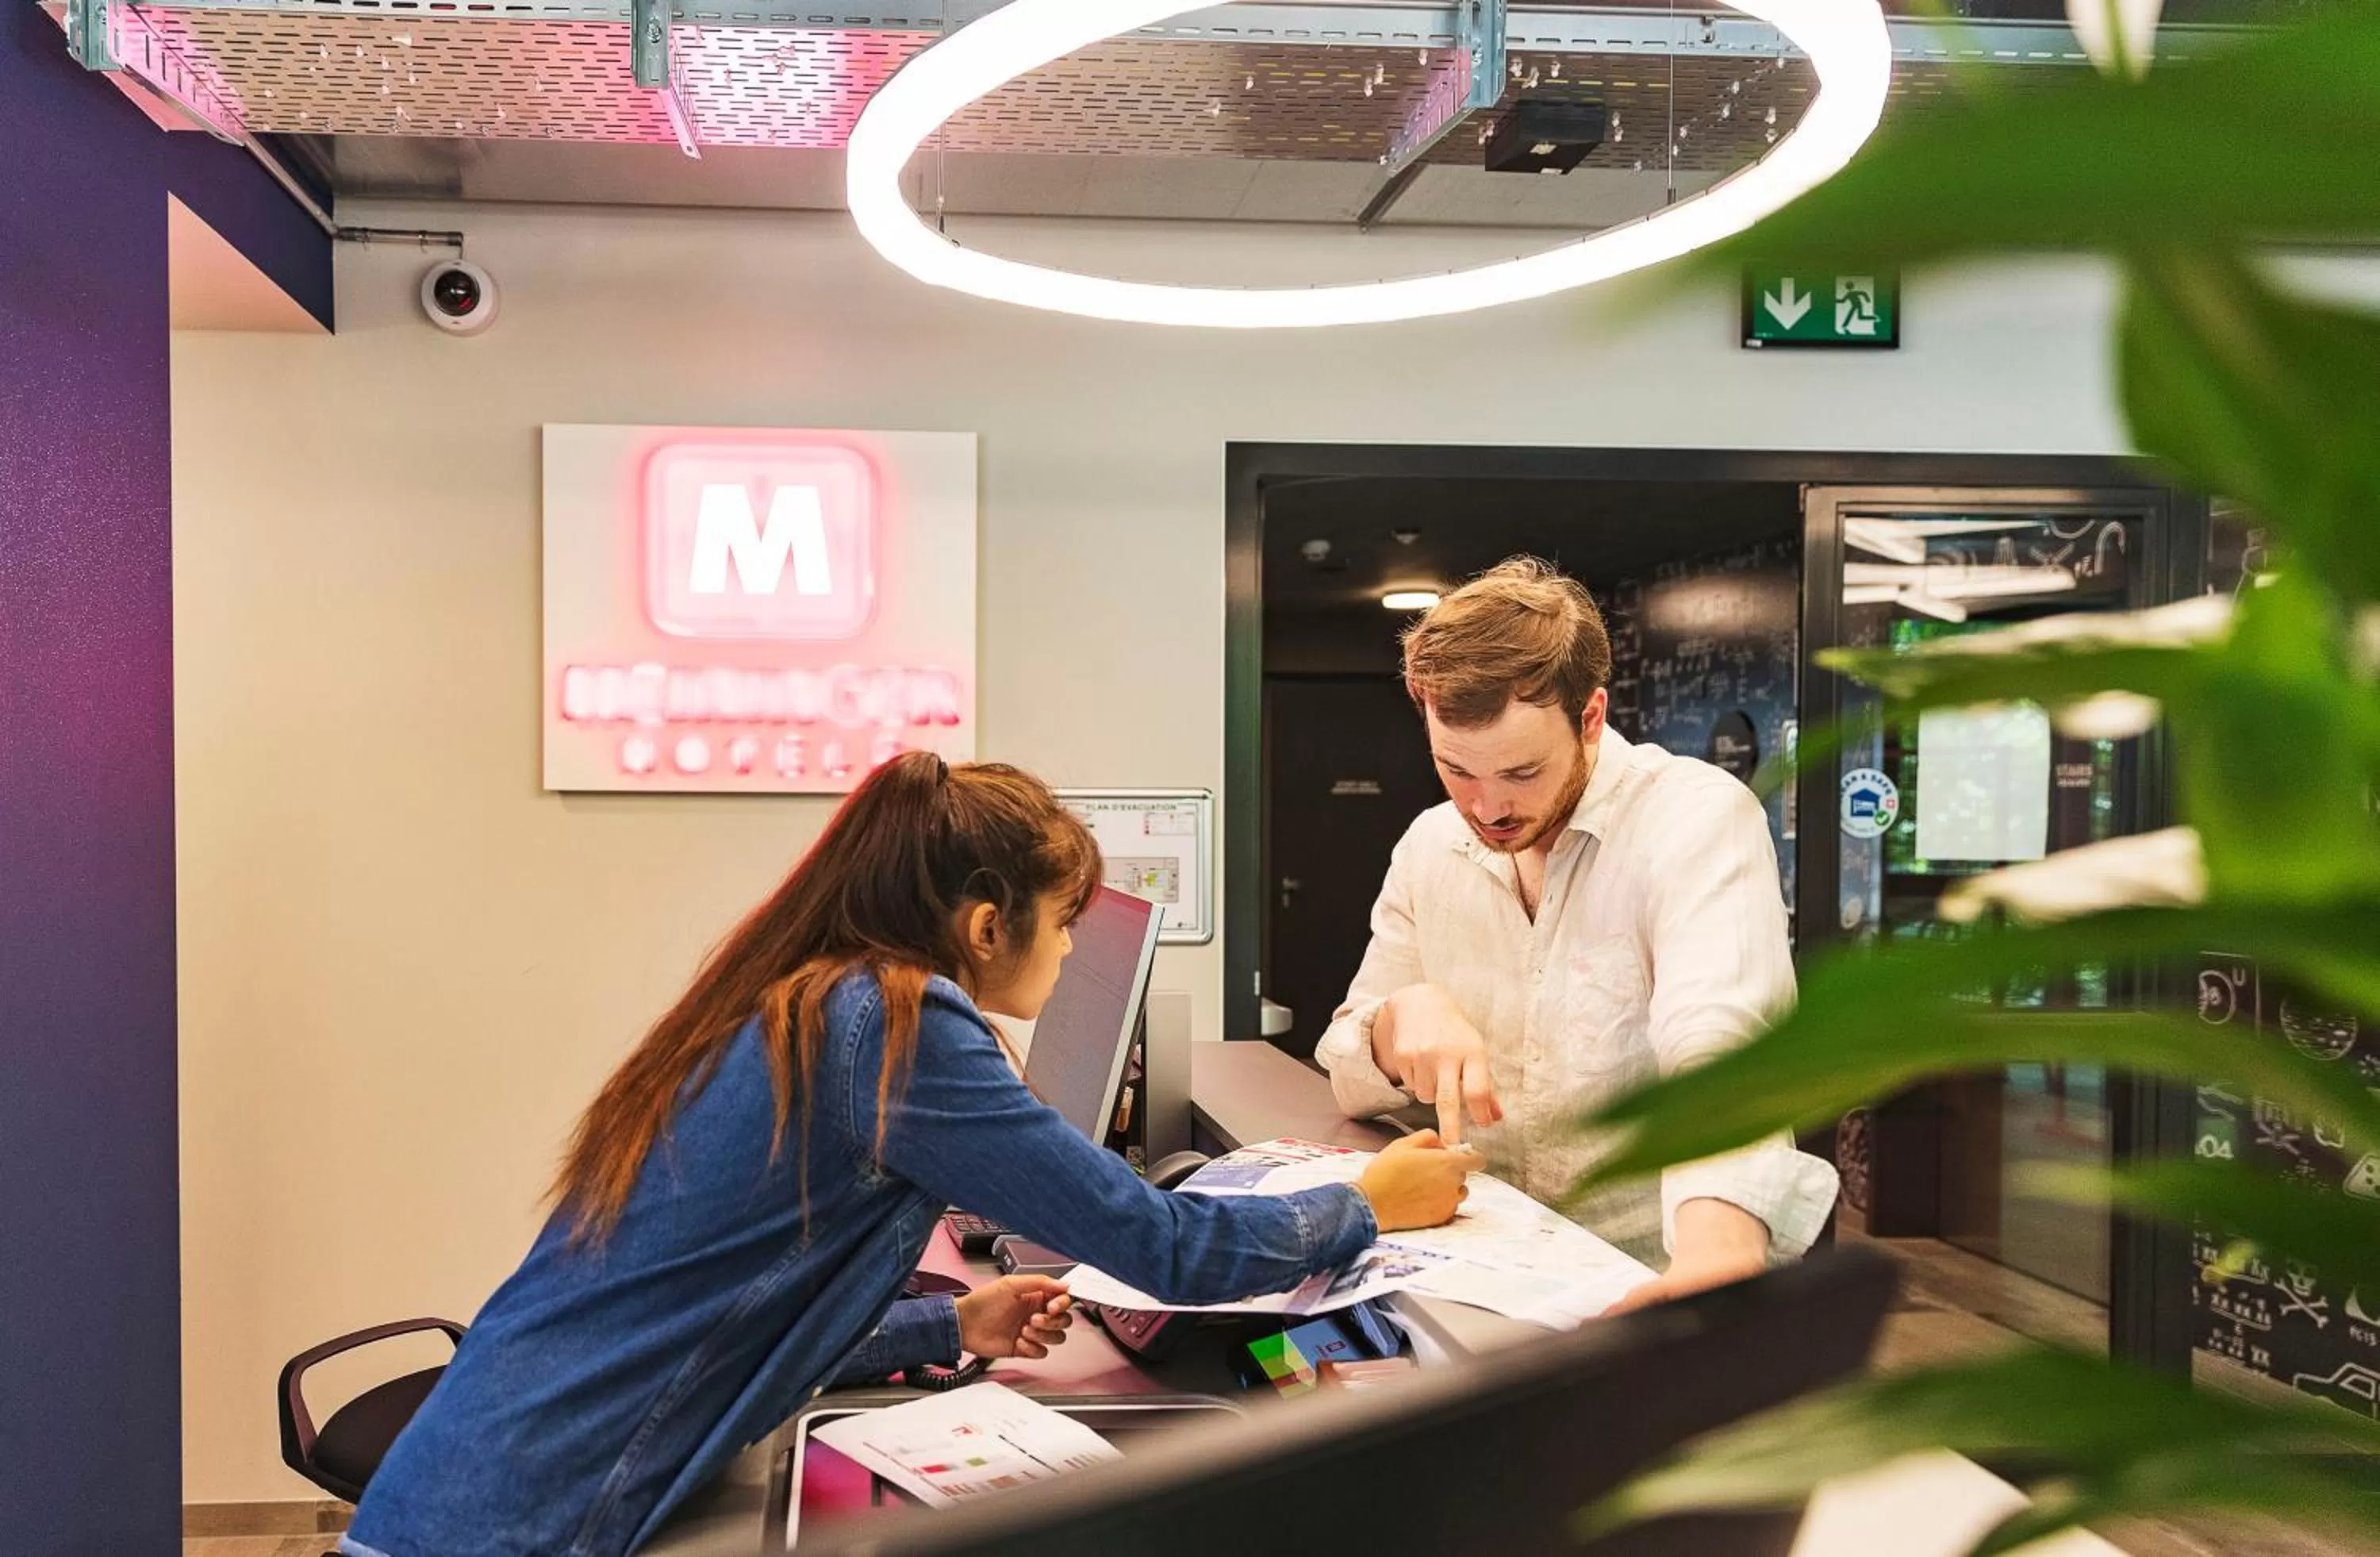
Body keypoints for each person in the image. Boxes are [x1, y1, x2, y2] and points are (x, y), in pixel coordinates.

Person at [344, 754, 1476, 1557]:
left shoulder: (810, 999)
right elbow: (1160, 1245)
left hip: (464, 1489)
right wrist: (1366, 1201)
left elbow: (736, 1314)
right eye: (1064, 921)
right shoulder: (895, 1025)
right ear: (986, 925)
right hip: (524, 1521)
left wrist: (952, 1325)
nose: (1070, 951)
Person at [1315, 558, 1837, 1312]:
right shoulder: (1430, 845)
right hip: (1477, 1280)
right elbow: (1348, 1074)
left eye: (1522, 772)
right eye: (1456, 770)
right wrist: (1398, 1023)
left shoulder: (1694, 819)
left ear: (1590, 717)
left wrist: (1716, 1256)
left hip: (1645, 1282)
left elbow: (1720, 1044)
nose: (1487, 807)